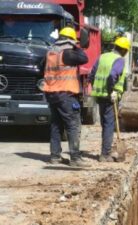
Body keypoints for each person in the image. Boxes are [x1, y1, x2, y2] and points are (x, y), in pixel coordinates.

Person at [43, 27, 89, 167]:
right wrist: (76, 46)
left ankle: (55, 157)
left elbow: (41, 68)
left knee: (56, 125)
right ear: (70, 40)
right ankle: (75, 158)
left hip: (51, 93)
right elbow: (84, 58)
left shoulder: (50, 52)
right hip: (65, 94)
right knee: (72, 125)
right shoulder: (68, 53)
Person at [90, 37, 130, 162]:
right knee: (109, 125)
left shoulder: (102, 56)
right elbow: (113, 75)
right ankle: (105, 154)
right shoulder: (119, 60)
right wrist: (111, 89)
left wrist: (96, 87)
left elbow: (92, 74)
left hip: (99, 95)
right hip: (110, 97)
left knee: (104, 123)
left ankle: (105, 150)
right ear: (123, 50)